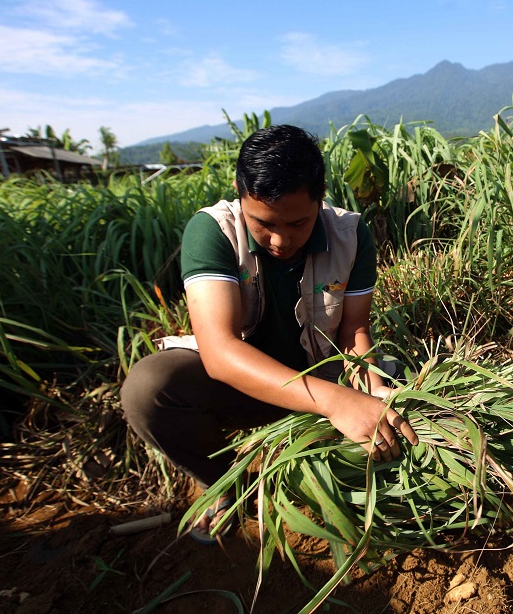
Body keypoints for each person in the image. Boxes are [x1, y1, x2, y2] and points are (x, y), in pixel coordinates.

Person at [120, 125, 418, 543]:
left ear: (321, 196)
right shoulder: (213, 231)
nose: (280, 240)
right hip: (246, 387)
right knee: (149, 388)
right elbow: (221, 353)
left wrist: (368, 387)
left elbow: (353, 330)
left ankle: (348, 483)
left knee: (407, 391)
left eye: (298, 223)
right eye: (263, 224)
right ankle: (224, 486)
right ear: (241, 195)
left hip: (322, 370)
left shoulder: (349, 234)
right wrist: (337, 403)